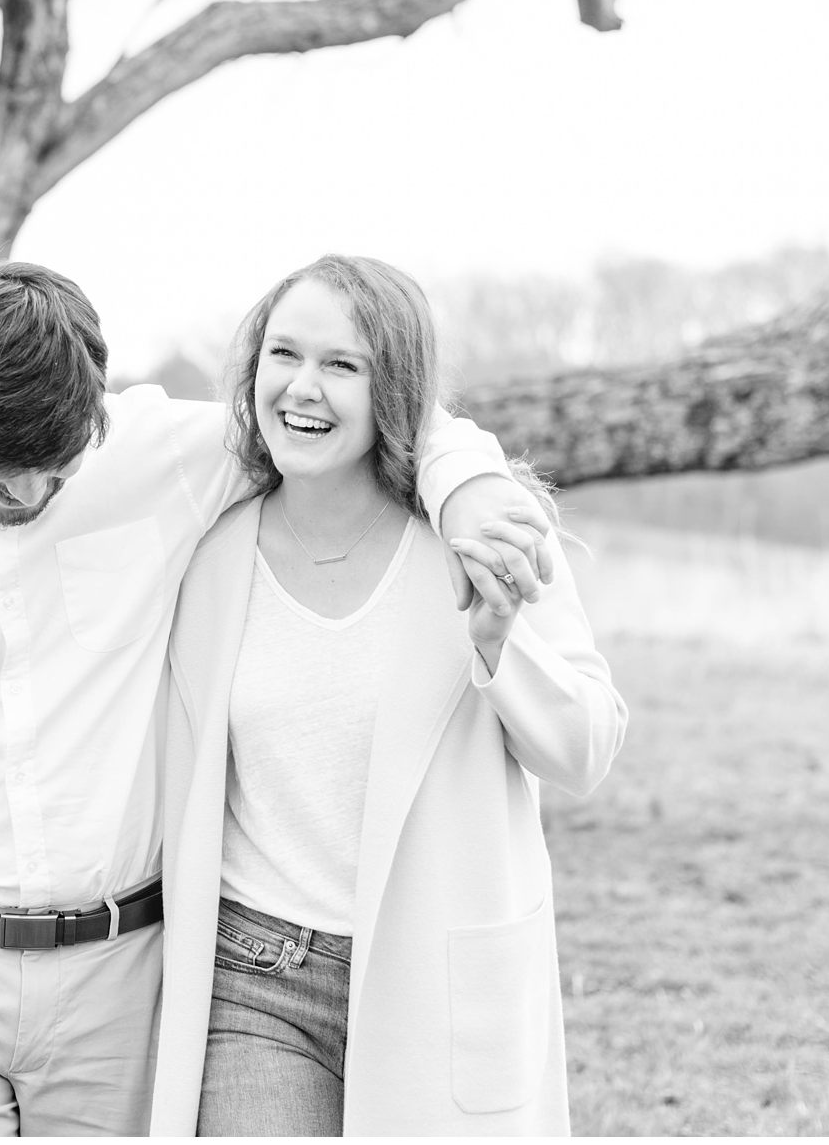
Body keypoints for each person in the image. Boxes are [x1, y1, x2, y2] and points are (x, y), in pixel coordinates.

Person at [0, 260, 552, 1136]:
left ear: (100, 405)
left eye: (59, 470)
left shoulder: (168, 457)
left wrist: (469, 494)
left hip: (121, 990)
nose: (33, 496)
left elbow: (392, 415)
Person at [149, 254, 626, 1136]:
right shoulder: (206, 556)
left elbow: (585, 750)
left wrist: (499, 646)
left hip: (432, 977)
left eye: (343, 365)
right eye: (283, 354)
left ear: (396, 389)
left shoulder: (484, 536)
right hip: (253, 983)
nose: (303, 388)